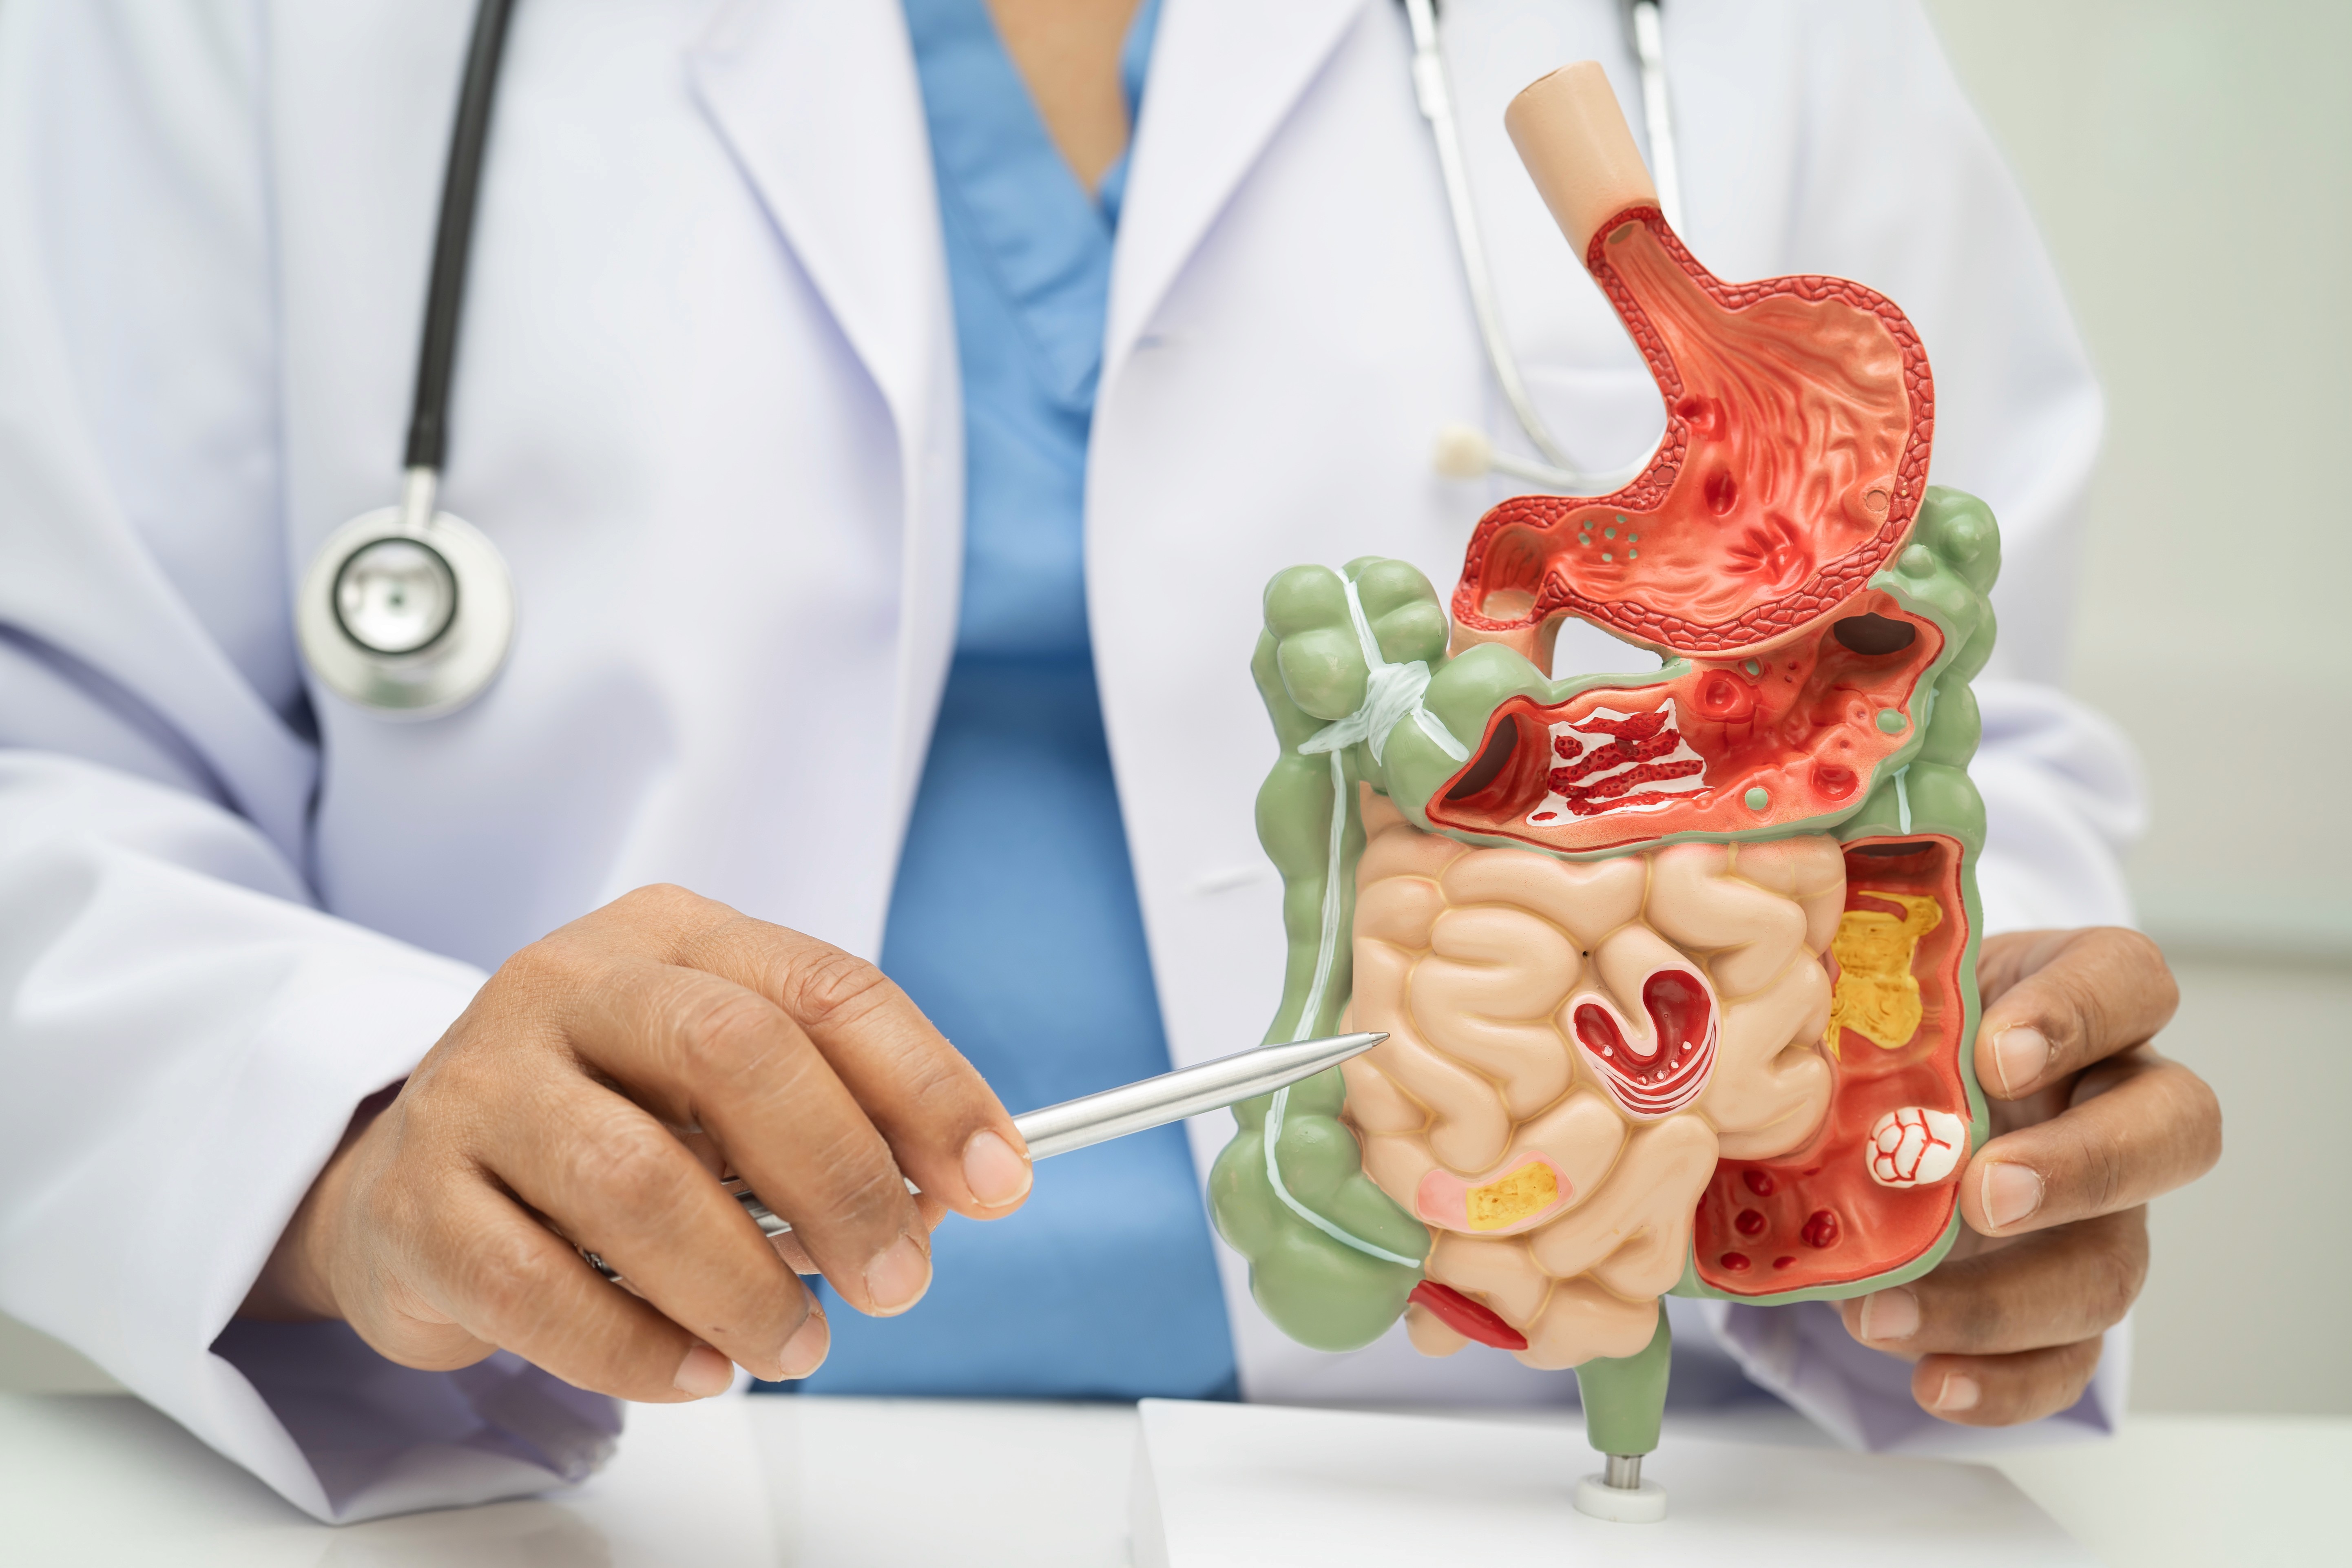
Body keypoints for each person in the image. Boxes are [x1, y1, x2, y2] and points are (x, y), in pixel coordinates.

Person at [0, 0, 2219, 1525]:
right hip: (575, 1493)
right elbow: (40, 759)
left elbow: (1943, 727)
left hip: (1524, 1495)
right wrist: (346, 1130)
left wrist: (1945, 1122)